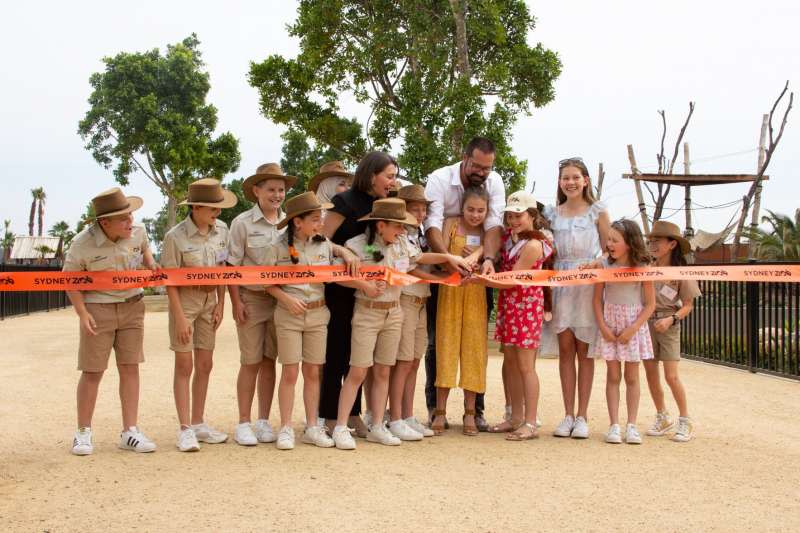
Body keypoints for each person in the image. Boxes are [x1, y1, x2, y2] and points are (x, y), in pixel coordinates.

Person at [331, 198, 470, 450]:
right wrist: (363, 285)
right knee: (358, 371)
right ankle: (341, 427)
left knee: (384, 370)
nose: (402, 231)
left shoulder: (400, 245)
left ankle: (377, 427)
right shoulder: (355, 246)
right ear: (381, 225)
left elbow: (421, 256)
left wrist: (450, 257)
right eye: (398, 226)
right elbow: (338, 276)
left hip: (393, 313)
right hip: (367, 314)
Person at [64, 187, 159, 455]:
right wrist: (83, 313)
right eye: (124, 218)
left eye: (130, 216)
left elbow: (144, 249)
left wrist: (151, 263)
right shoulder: (81, 244)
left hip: (132, 306)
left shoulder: (137, 232)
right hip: (99, 309)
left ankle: (130, 431)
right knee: (93, 371)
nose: (131, 222)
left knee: (130, 368)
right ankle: (83, 432)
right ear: (104, 222)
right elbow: (69, 280)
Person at [424, 136, 506, 430]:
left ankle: (475, 411)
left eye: (487, 168)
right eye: (477, 166)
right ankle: (436, 408)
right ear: (464, 157)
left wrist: (488, 258)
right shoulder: (439, 179)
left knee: (475, 346)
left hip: (476, 282)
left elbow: (494, 225)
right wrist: (450, 261)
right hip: (444, 275)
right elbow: (431, 224)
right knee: (438, 343)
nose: (482, 172)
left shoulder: (494, 182)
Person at [319, 151, 399, 437]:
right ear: (371, 174)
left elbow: (371, 247)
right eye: (389, 176)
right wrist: (340, 250)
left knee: (359, 359)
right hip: (339, 290)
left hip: (368, 294)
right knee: (336, 354)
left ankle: (352, 414)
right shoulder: (344, 201)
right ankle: (328, 417)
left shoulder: (383, 205)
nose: (393, 181)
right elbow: (321, 239)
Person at [264, 192, 344, 450]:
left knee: (313, 371)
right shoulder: (277, 247)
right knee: (289, 371)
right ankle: (286, 427)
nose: (320, 222)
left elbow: (336, 264)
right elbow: (267, 283)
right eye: (314, 218)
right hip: (289, 316)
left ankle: (312, 426)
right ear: (297, 222)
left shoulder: (323, 244)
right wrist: (286, 299)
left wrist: (352, 255)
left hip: (318, 315)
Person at [161, 178, 236, 452]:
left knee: (205, 363)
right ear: (195, 208)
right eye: (212, 208)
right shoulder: (175, 237)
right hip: (186, 300)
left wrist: (221, 303)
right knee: (184, 365)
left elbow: (224, 269)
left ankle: (198, 422)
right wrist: (179, 317)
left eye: (218, 207)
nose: (217, 212)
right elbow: (168, 281)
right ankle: (184, 429)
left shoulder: (222, 231)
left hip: (209, 300)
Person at [227, 163, 295, 446]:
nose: (277, 195)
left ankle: (264, 421)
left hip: (281, 300)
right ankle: (244, 422)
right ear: (256, 191)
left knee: (270, 361)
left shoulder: (291, 221)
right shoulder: (242, 223)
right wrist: (235, 302)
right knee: (250, 361)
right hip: (252, 299)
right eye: (271, 189)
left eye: (281, 190)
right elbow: (230, 266)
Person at [543, 157, 610, 439]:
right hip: (560, 282)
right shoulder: (551, 213)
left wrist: (597, 264)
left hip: (587, 283)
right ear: (560, 182)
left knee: (585, 352)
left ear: (585, 180)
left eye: (575, 177)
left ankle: (583, 416)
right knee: (566, 351)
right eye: (565, 177)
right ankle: (567, 414)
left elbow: (610, 250)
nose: (570, 182)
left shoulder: (598, 211)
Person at [484, 191, 553, 440]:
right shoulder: (511, 239)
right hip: (509, 304)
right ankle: (515, 417)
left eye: (519, 215)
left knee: (526, 366)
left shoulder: (534, 244)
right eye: (510, 216)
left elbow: (512, 279)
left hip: (525, 305)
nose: (514, 220)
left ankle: (531, 422)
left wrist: (481, 280)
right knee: (511, 362)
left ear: (532, 215)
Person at [592, 219, 655, 445]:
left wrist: (633, 328)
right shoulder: (603, 266)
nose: (609, 244)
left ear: (629, 243)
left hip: (632, 324)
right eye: (608, 239)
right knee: (612, 376)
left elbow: (650, 304)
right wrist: (603, 327)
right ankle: (614, 425)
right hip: (610, 322)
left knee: (631, 377)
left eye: (614, 240)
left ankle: (631, 425)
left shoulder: (643, 268)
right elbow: (597, 300)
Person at [430, 187, 487, 436]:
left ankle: (470, 412)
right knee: (446, 346)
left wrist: (477, 253)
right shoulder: (450, 224)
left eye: (480, 210)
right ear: (461, 208)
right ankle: (440, 410)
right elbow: (442, 254)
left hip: (475, 292)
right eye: (470, 209)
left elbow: (490, 251)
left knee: (474, 349)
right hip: (450, 289)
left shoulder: (489, 230)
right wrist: (456, 258)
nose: (475, 215)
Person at [387, 185, 439, 440]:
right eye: (414, 208)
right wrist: (447, 265)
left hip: (422, 299)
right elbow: (409, 266)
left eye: (423, 209)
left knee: (414, 360)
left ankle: (406, 415)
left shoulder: (419, 233)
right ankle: (394, 417)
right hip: (406, 298)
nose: (420, 213)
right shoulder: (398, 234)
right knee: (403, 361)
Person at [644, 221, 701, 442]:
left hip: (668, 325)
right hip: (646, 323)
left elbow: (688, 304)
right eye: (650, 241)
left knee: (671, 375)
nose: (652, 245)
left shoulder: (681, 272)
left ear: (672, 244)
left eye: (657, 241)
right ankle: (662, 416)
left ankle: (685, 419)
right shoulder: (646, 268)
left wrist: (671, 319)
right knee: (650, 374)